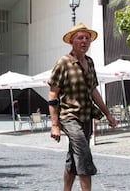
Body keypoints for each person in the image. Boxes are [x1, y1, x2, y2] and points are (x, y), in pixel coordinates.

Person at [47, 23, 117, 191]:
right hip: (69, 116)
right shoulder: (63, 63)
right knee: (84, 154)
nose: (84, 41)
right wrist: (55, 125)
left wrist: (108, 114)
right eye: (80, 37)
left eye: (87, 38)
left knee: (73, 158)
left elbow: (93, 91)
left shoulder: (90, 63)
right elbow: (52, 95)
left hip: (86, 116)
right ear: (72, 41)